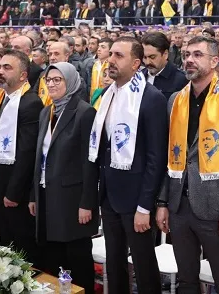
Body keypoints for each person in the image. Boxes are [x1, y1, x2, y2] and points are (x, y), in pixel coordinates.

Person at [155, 36, 219, 294]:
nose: (189, 60)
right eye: (186, 54)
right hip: (178, 205)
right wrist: (163, 203)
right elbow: (170, 157)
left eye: (197, 54)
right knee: (186, 280)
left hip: (215, 208)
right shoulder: (176, 100)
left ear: (214, 60)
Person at [88, 37, 168, 294]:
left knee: (144, 266)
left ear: (136, 63)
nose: (110, 60)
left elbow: (156, 157)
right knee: (114, 261)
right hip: (109, 195)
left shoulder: (151, 97)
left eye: (118, 56)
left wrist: (146, 205)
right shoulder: (107, 95)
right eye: (110, 53)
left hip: (136, 200)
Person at [29, 63, 98, 293]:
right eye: (49, 80)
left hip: (73, 199)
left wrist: (87, 203)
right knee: (54, 256)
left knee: (77, 258)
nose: (51, 84)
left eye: (58, 79)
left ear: (71, 81)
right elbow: (39, 158)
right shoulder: (45, 111)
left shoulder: (85, 112)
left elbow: (90, 163)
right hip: (47, 195)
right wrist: (34, 195)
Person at [0, 50, 44, 258]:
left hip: (15, 189)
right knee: (1, 239)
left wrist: (13, 192)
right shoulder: (1, 98)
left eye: (8, 68)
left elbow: (27, 153)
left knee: (20, 244)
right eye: (0, 67)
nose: (0, 72)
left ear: (23, 75)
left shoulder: (30, 103)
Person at [141, 31, 188, 103]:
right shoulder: (138, 77)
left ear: (165, 54)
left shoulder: (182, 80)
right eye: (144, 57)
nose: (147, 62)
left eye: (152, 57)